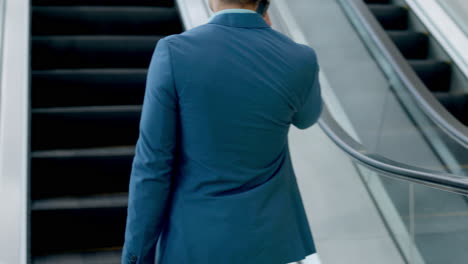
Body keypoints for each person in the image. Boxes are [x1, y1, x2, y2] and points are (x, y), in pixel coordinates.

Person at [121, 0, 323, 263]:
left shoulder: (174, 52)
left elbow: (153, 164)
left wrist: (136, 254)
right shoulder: (300, 58)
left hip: (195, 244)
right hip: (268, 243)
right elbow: (306, 118)